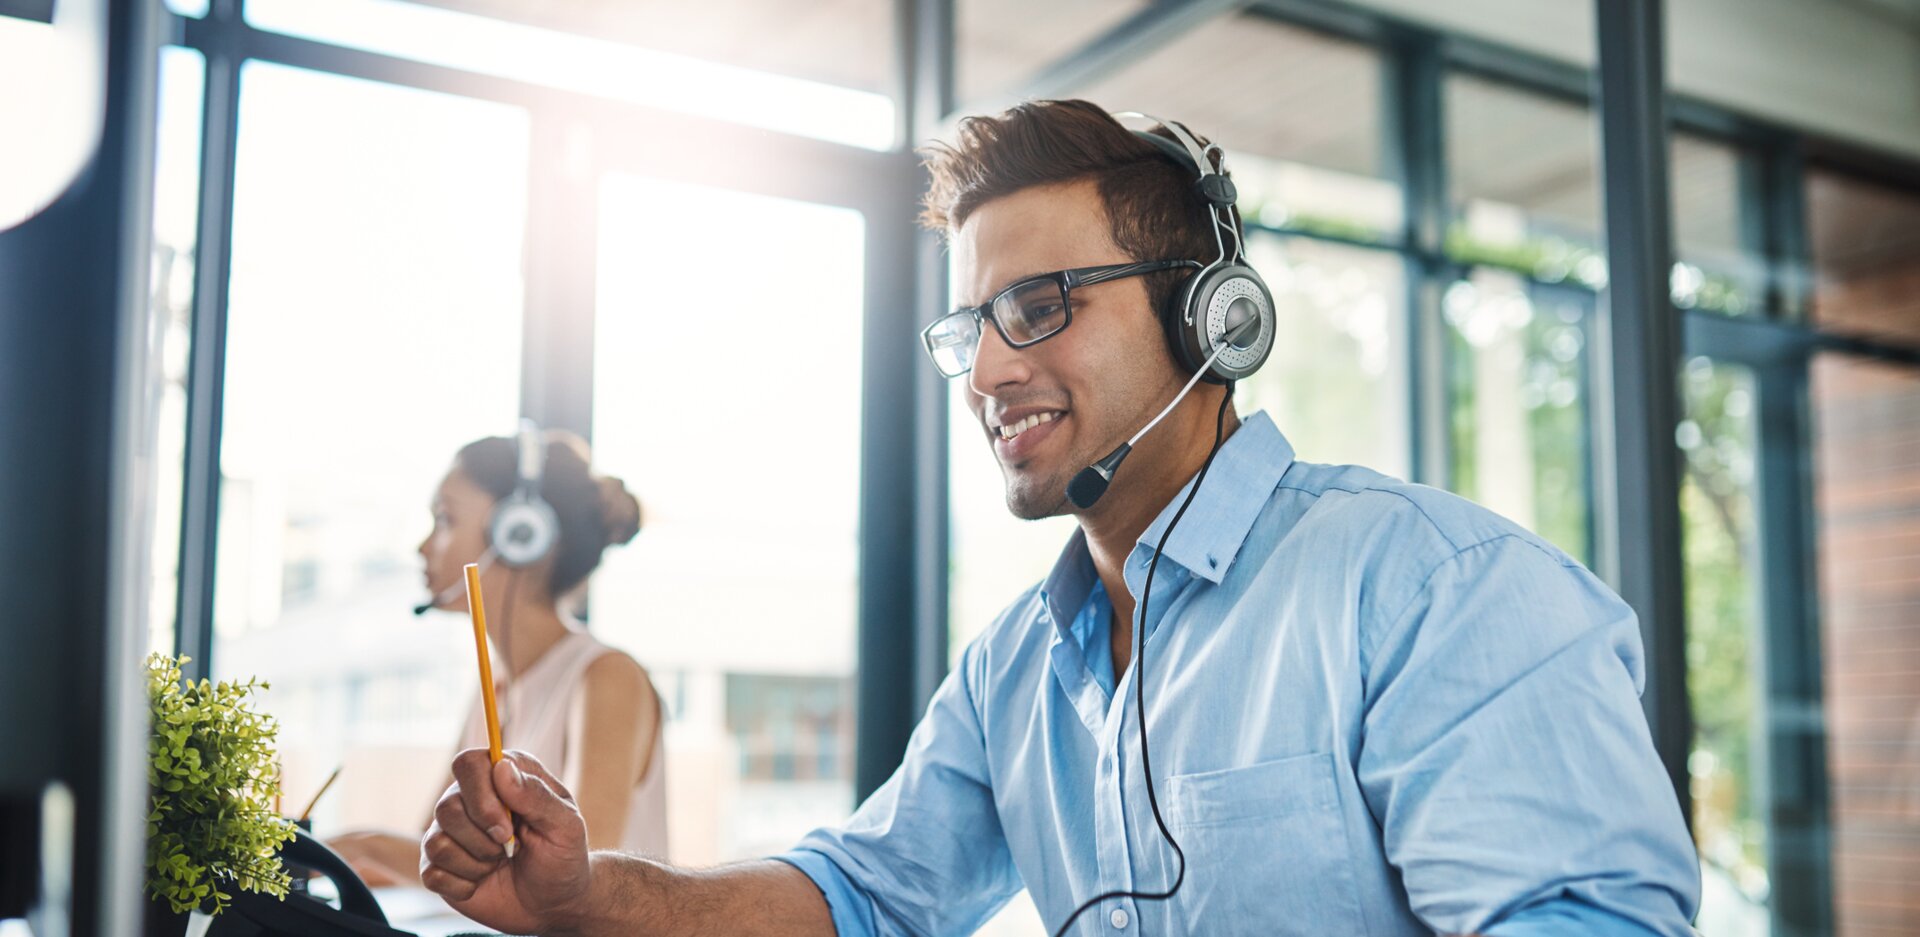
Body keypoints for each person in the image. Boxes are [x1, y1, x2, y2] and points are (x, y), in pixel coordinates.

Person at [416, 101, 1701, 936]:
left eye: (1042, 307)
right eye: (973, 326)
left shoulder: (1434, 588)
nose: (985, 372)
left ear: (1213, 317)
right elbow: (865, 891)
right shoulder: (1015, 669)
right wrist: (589, 894)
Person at [328, 429, 667, 885]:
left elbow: (579, 881)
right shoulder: (497, 687)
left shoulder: (607, 679)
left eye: (445, 520)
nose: (423, 547)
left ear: (518, 533)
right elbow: (435, 858)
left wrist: (364, 846)